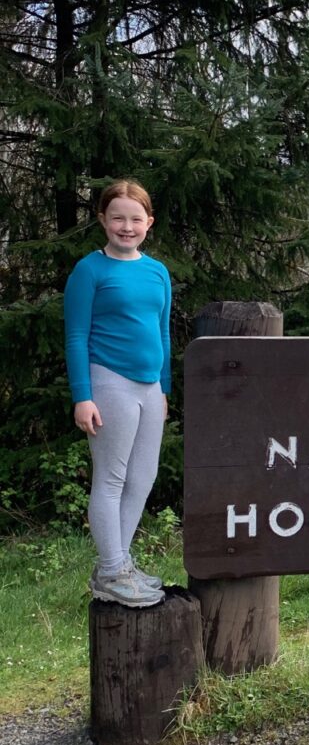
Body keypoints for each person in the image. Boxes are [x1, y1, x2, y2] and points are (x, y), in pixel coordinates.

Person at [64, 179, 171, 608]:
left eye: (135, 218)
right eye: (117, 218)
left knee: (142, 479)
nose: (126, 227)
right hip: (108, 381)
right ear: (103, 220)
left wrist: (164, 388)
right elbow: (75, 335)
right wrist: (82, 395)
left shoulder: (157, 271)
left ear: (149, 222)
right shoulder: (90, 270)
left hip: (149, 387)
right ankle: (111, 570)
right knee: (111, 479)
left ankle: (118, 564)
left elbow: (161, 331)